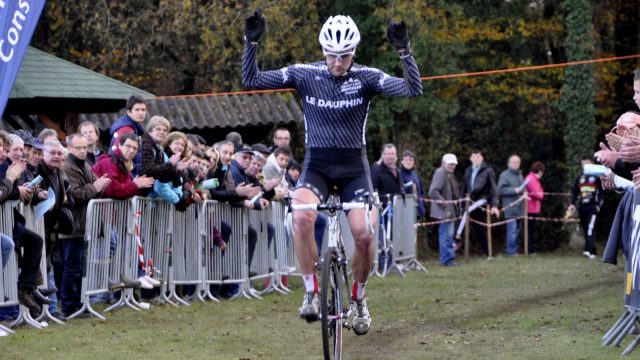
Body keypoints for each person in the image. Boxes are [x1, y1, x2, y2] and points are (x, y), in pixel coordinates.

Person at [243, 9, 423, 334]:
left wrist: (404, 52)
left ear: (353, 53)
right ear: (323, 50)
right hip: (318, 166)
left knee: (365, 236)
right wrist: (251, 43)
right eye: (332, 55)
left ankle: (358, 299)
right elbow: (251, 80)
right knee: (300, 217)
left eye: (344, 56)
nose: (337, 63)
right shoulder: (304, 74)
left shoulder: (367, 77)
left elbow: (413, 90)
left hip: (355, 167)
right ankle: (311, 291)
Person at [59, 134, 111, 317]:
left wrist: (99, 185)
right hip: (73, 224)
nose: (83, 151)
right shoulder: (67, 167)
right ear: (70, 148)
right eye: (79, 148)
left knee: (80, 267)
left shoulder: (85, 165)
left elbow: (96, 182)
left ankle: (80, 303)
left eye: (85, 147)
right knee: (72, 267)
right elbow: (76, 194)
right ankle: (69, 306)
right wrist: (96, 187)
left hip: (85, 224)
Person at [461, 149, 500, 256]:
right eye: (473, 157)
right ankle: (488, 252)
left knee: (480, 228)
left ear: (482, 158)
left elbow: (494, 189)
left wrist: (495, 205)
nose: (476, 159)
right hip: (469, 201)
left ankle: (457, 237)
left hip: (482, 202)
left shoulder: (488, 170)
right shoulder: (468, 170)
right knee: (478, 229)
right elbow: (464, 188)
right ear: (470, 159)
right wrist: (462, 202)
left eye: (478, 156)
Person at [567, 158, 603, 259]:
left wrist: (598, 204)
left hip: (593, 207)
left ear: (592, 164)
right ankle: (593, 251)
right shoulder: (579, 177)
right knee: (586, 228)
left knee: (590, 228)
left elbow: (601, 192)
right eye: (583, 164)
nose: (585, 165)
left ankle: (587, 250)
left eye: (587, 163)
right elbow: (575, 192)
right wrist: (572, 204)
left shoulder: (597, 177)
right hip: (582, 207)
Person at [428, 154, 460, 266]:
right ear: (443, 163)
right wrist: (445, 203)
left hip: (448, 211)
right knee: (446, 236)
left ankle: (449, 259)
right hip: (444, 212)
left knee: (449, 235)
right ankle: (446, 260)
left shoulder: (449, 174)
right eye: (450, 164)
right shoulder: (441, 173)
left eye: (454, 164)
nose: (452, 166)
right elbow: (433, 192)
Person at [109, 95, 147, 176]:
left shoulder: (136, 128)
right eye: (137, 110)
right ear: (129, 112)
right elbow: (116, 158)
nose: (141, 113)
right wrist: (132, 181)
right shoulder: (126, 130)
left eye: (143, 110)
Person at [497, 155, 525, 256]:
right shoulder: (504, 175)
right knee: (512, 231)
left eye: (517, 162)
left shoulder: (520, 175)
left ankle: (516, 250)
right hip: (510, 208)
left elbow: (522, 189)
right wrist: (514, 190)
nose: (516, 164)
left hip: (520, 208)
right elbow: (500, 190)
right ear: (509, 163)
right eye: (513, 162)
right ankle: (511, 252)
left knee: (517, 231)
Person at [524, 161, 545, 254]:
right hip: (530, 208)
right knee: (530, 231)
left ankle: (531, 249)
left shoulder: (534, 179)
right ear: (540, 171)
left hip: (534, 207)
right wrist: (541, 193)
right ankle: (530, 250)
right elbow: (538, 194)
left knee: (532, 230)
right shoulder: (530, 179)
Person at [400, 150, 426, 219]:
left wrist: (423, 205)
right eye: (406, 160)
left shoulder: (415, 174)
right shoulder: (399, 175)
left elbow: (421, 191)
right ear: (402, 161)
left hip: (418, 210)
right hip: (406, 212)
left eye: (411, 160)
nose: (409, 162)